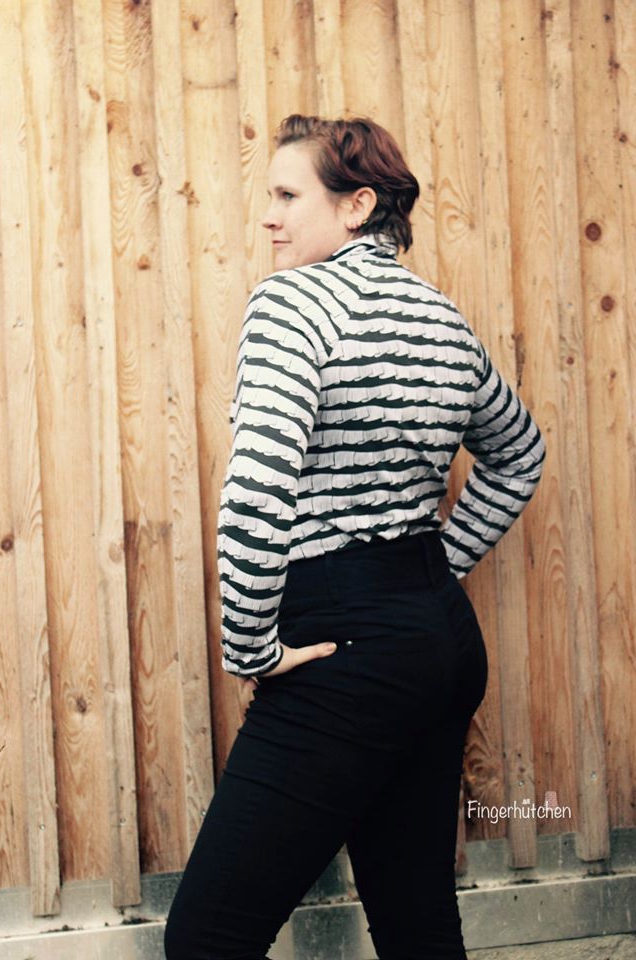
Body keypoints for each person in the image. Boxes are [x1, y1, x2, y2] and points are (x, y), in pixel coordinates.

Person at [164, 114, 546, 960]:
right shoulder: (441, 318)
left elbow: (257, 489)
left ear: (356, 205)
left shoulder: (291, 303)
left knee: (205, 939)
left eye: (287, 195)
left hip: (346, 651)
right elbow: (520, 453)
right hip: (436, 637)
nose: (269, 216)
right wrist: (431, 570)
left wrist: (250, 648)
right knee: (417, 925)